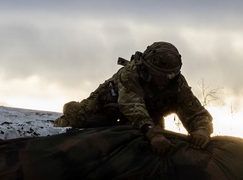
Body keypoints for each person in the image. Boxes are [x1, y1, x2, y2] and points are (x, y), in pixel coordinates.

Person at [53, 41, 214, 154]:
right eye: (159, 75)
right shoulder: (130, 74)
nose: (164, 81)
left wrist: (202, 130)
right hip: (107, 109)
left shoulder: (177, 83)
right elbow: (132, 106)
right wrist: (151, 132)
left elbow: (196, 112)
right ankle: (63, 118)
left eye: (169, 76)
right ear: (147, 68)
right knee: (79, 115)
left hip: (147, 117)